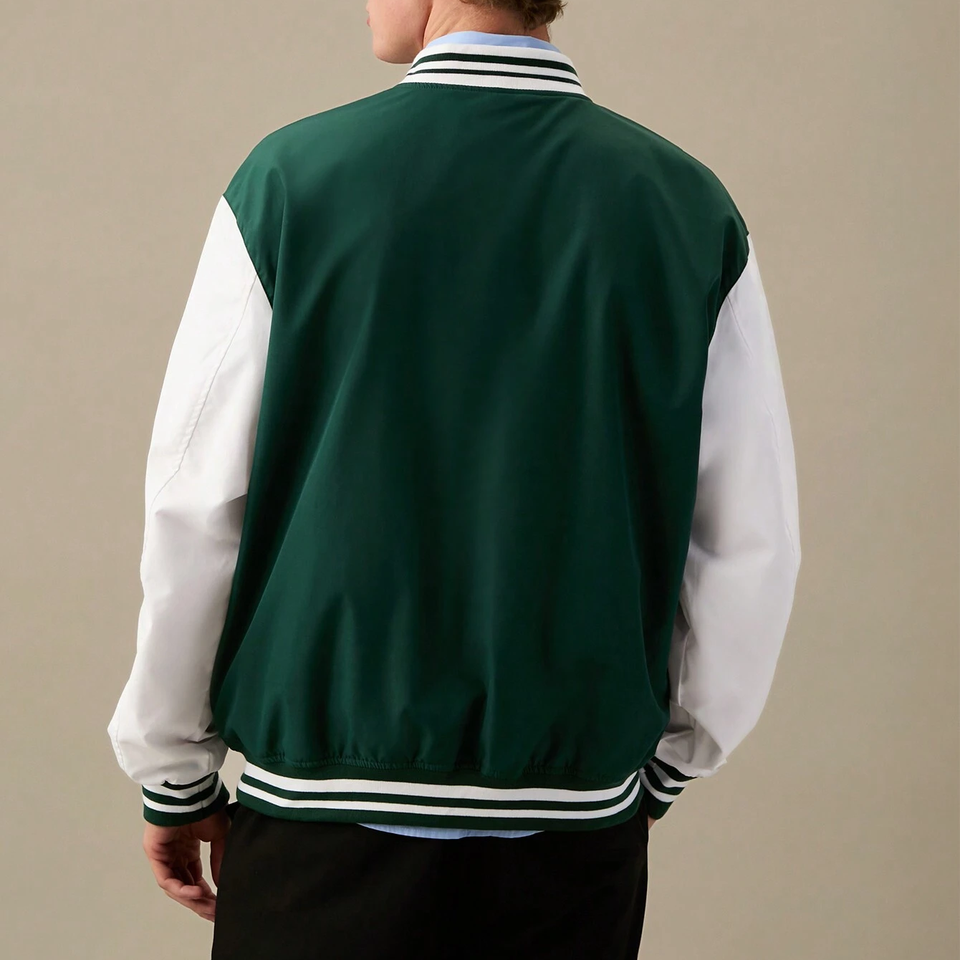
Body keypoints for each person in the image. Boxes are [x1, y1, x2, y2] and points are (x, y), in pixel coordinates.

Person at [106, 0, 802, 957]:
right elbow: (748, 539)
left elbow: (195, 507)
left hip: (319, 822)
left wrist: (173, 772)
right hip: (568, 835)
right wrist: (674, 760)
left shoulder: (290, 180)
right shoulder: (684, 205)